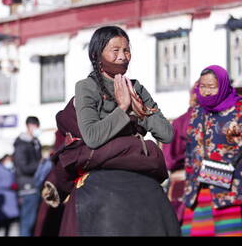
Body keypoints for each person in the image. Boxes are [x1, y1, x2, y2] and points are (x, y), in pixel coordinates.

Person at [73, 25, 178, 236]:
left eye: (126, 50)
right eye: (115, 50)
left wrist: (141, 112)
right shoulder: (87, 87)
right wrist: (122, 108)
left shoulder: (136, 87)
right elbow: (92, 137)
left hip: (138, 169)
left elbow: (167, 134)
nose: (122, 56)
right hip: (103, 173)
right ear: (97, 54)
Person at [181, 65, 242, 237]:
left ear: (222, 86)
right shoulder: (197, 113)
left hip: (234, 192)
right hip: (201, 192)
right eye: (203, 86)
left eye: (211, 87)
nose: (206, 92)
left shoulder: (240, 111)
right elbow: (190, 153)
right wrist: (189, 189)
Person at [162, 82, 198, 222]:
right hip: (208, 182)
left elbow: (168, 160)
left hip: (180, 182)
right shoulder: (214, 121)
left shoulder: (178, 123)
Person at [13, 116, 43, 236]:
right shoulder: (21, 144)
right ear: (29, 126)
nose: (36, 129)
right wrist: (40, 165)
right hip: (27, 187)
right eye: (35, 126)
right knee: (27, 222)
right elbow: (23, 167)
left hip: (35, 184)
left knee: (33, 222)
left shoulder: (35, 143)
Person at [0, 154, 19, 237]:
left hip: (11, 198)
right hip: (3, 197)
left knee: (8, 223)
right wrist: (9, 185)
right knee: (0, 222)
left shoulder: (11, 169)